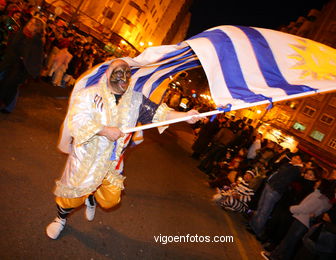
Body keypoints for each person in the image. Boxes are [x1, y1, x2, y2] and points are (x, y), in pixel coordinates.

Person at [46, 59, 200, 239]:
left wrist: (184, 116)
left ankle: (91, 196)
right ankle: (60, 219)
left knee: (111, 200)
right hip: (86, 159)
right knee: (71, 196)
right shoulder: (88, 95)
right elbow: (77, 121)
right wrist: (104, 130)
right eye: (118, 72)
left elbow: (159, 113)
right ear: (107, 74)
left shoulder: (136, 100)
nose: (123, 77)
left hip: (112, 163)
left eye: (127, 74)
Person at [248, 153, 304, 238]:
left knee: (265, 210)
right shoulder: (290, 165)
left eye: (297, 158)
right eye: (294, 157)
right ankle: (253, 224)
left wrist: (275, 186)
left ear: (301, 161)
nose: (294, 158)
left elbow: (284, 178)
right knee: (260, 206)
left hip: (275, 190)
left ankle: (256, 229)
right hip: (270, 185)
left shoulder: (296, 169)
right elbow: (278, 168)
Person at [0, 16, 45, 113]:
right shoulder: (22, 32)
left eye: (33, 24)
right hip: (11, 61)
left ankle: (6, 105)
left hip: (21, 67)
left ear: (37, 28)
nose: (29, 24)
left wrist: (23, 59)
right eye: (30, 22)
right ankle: (7, 106)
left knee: (9, 85)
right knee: (7, 83)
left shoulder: (36, 40)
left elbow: (32, 56)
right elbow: (13, 45)